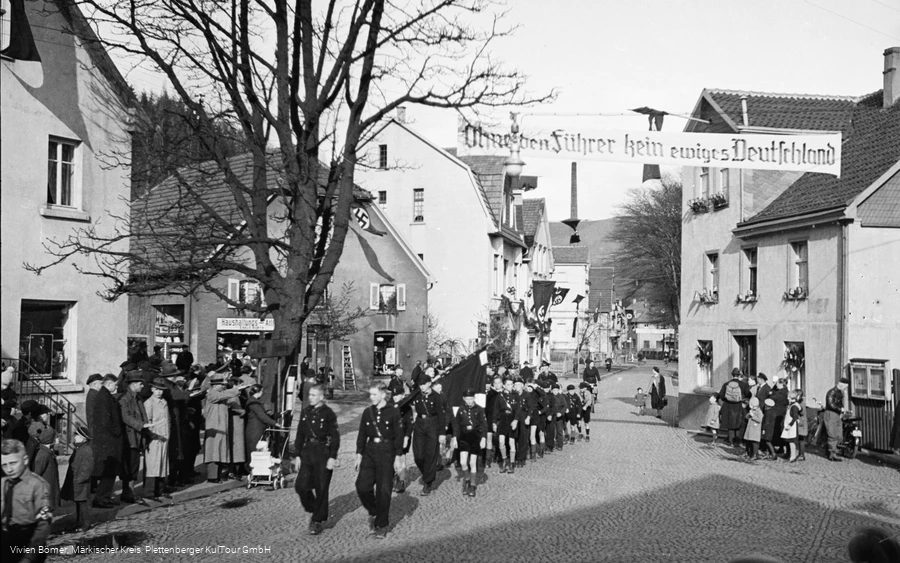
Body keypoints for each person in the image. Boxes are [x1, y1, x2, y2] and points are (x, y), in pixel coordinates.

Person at [355, 383, 403, 540]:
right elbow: (362, 434)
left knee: (384, 490)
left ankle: (381, 524)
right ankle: (374, 510)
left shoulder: (393, 412)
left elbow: (399, 435)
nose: (371, 397)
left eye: (374, 394)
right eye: (370, 394)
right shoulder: (367, 412)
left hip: (387, 452)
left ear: (383, 395)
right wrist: (359, 454)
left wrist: (398, 456)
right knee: (362, 486)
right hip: (370, 452)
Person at [294, 384, 339, 536]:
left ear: (321, 397)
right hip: (308, 452)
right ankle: (314, 507)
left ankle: (317, 520)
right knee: (301, 486)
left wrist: (332, 457)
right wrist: (297, 455)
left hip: (323, 452)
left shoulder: (328, 413)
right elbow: (300, 433)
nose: (310, 397)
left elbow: (335, 437)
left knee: (321, 487)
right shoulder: (306, 412)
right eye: (310, 395)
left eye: (314, 395)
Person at [1, 439, 53, 563]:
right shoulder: (3, 483)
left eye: (13, 463)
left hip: (27, 539)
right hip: (5, 538)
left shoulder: (38, 485)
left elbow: (43, 524)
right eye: (4, 465)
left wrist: (29, 556)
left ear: (25, 460)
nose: (9, 469)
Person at [203, 374, 248, 482]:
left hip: (221, 427)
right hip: (214, 428)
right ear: (216, 385)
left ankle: (218, 476)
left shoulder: (220, 395)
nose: (223, 387)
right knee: (213, 452)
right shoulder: (212, 394)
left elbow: (227, 399)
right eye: (222, 385)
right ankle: (212, 477)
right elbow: (220, 396)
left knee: (219, 451)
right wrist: (235, 390)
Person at [91, 375, 122, 508]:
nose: (116, 387)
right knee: (108, 470)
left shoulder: (105, 396)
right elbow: (106, 421)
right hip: (107, 440)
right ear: (109, 384)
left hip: (108, 440)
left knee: (110, 470)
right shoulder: (104, 397)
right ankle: (101, 498)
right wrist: (117, 432)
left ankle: (106, 496)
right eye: (115, 384)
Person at [412, 376, 446, 495]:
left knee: (431, 454)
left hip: (433, 424)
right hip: (420, 424)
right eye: (420, 385)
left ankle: (428, 482)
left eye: (423, 384)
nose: (421, 386)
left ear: (429, 384)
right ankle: (427, 473)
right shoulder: (417, 395)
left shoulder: (437, 397)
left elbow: (441, 415)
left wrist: (442, 433)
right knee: (418, 456)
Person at [119, 371, 150, 503]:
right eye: (139, 383)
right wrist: (141, 425)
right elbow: (126, 417)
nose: (142, 386)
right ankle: (128, 493)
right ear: (132, 384)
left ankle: (129, 492)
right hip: (129, 438)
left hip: (137, 437)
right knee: (130, 467)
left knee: (134, 465)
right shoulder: (124, 399)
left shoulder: (138, 398)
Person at [452, 388, 486, 497]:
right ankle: (467, 478)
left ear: (474, 398)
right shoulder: (461, 409)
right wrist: (455, 438)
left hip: (475, 438)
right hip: (463, 438)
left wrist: (484, 438)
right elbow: (456, 425)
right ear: (463, 399)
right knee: (463, 462)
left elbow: (484, 425)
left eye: (471, 399)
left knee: (472, 462)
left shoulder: (479, 409)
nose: (469, 401)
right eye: (467, 399)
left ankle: (472, 485)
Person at [61, 425, 94, 532]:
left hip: (81, 483)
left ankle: (86, 524)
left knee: (83, 503)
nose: (74, 436)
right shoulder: (79, 448)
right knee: (78, 503)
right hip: (76, 481)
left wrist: (80, 479)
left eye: (77, 435)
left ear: (83, 439)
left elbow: (87, 468)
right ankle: (79, 522)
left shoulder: (87, 450)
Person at [144, 378, 171, 501]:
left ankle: (159, 490)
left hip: (164, 437)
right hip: (154, 438)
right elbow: (148, 422)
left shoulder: (164, 402)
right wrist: (153, 435)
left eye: (161, 390)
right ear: (152, 389)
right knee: (153, 465)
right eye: (157, 390)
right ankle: (149, 492)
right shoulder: (149, 403)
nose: (159, 392)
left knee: (162, 464)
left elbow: (167, 420)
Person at [244, 384, 280, 472]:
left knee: (258, 451)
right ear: (258, 392)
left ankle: (258, 471)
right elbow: (262, 416)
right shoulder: (253, 402)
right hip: (254, 430)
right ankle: (252, 471)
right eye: (261, 391)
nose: (262, 393)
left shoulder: (254, 401)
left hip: (257, 429)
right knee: (254, 452)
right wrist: (275, 423)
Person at [493, 377, 522, 474]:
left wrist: (516, 420)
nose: (511, 386)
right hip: (502, 420)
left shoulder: (516, 395)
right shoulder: (500, 396)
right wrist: (494, 422)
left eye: (512, 384)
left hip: (512, 420)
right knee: (501, 442)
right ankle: (504, 460)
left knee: (511, 442)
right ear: (504, 385)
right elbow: (496, 410)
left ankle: (512, 463)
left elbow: (518, 409)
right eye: (508, 384)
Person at [29, 427, 59, 511]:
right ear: (51, 440)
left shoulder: (47, 452)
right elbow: (36, 474)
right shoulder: (43, 454)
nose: (57, 440)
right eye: (56, 437)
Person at [718, 368, 749, 445]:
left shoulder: (726, 384)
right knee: (738, 424)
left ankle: (731, 441)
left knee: (730, 425)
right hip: (739, 406)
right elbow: (749, 394)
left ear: (732, 375)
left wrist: (727, 399)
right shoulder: (743, 384)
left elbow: (721, 395)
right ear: (739, 375)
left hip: (728, 406)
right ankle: (737, 442)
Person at [824, 377, 850, 461]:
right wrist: (840, 409)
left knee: (839, 434)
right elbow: (830, 404)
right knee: (832, 434)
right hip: (831, 414)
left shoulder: (839, 393)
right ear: (841, 385)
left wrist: (842, 410)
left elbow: (839, 403)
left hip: (837, 414)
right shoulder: (831, 392)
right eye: (845, 387)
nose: (845, 389)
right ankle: (832, 453)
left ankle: (833, 450)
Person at [483, 374, 501, 468]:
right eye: (485, 383)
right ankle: (481, 458)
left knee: (489, 438)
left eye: (488, 383)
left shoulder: (494, 394)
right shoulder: (479, 393)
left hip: (490, 417)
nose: (487, 385)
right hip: (480, 418)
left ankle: (488, 460)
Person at [783, 389, 802, 462]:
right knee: (790, 441)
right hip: (790, 425)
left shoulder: (794, 406)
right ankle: (792, 455)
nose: (787, 398)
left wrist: (790, 425)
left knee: (792, 441)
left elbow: (795, 417)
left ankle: (793, 456)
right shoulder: (792, 405)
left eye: (788, 397)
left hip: (792, 426)